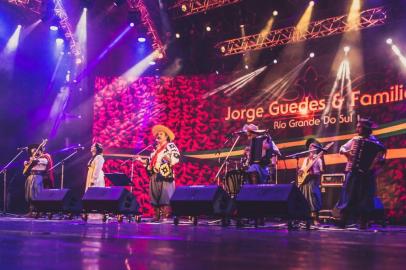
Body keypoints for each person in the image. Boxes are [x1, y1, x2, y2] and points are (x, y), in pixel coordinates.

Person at [334, 118, 386, 229]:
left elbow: (381, 158)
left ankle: (363, 222)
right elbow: (342, 148)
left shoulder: (376, 144)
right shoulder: (355, 140)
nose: (357, 128)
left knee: (365, 198)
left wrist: (378, 162)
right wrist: (346, 153)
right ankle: (343, 221)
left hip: (367, 175)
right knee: (348, 197)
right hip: (353, 172)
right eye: (357, 126)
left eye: (359, 127)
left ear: (366, 129)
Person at [137, 125, 180, 222]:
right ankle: (156, 216)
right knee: (154, 196)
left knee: (165, 196)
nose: (158, 136)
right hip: (154, 175)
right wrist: (141, 161)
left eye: (161, 134)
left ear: (166, 137)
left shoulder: (170, 146)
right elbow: (150, 161)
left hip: (165, 175)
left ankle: (165, 217)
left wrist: (169, 159)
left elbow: (176, 156)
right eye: (157, 134)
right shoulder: (155, 150)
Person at [298, 138, 324, 225]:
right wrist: (300, 171)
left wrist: (314, 173)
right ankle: (306, 219)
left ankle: (316, 219)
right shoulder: (306, 159)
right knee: (305, 199)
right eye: (310, 146)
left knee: (314, 199)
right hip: (305, 181)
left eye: (313, 146)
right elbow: (302, 169)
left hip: (313, 182)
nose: (311, 147)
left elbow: (321, 171)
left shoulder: (318, 159)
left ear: (316, 148)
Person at [24, 143, 53, 213]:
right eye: (32, 152)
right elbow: (29, 167)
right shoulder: (32, 158)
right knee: (29, 195)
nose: (33, 152)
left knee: (37, 194)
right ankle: (31, 211)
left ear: (39, 150)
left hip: (38, 176)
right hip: (31, 176)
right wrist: (26, 164)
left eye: (34, 151)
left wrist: (35, 161)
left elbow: (46, 163)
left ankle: (38, 211)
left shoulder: (46, 156)